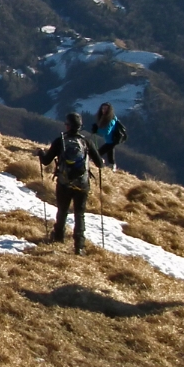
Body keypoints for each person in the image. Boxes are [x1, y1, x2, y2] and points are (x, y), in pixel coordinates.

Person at [39, 112, 103, 255]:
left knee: (62, 210)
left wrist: (41, 153)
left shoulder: (60, 141)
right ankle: (79, 246)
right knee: (79, 214)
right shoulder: (86, 141)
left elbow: (46, 161)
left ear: (68, 125)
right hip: (82, 183)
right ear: (80, 126)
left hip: (64, 183)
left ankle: (58, 237)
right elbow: (99, 163)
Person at [91, 102, 125, 170]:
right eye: (103, 108)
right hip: (111, 140)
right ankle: (112, 167)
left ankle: (100, 164)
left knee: (97, 153)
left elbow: (106, 132)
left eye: (105, 108)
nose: (104, 110)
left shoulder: (110, 120)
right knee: (110, 154)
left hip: (111, 141)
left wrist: (97, 130)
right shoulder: (108, 118)